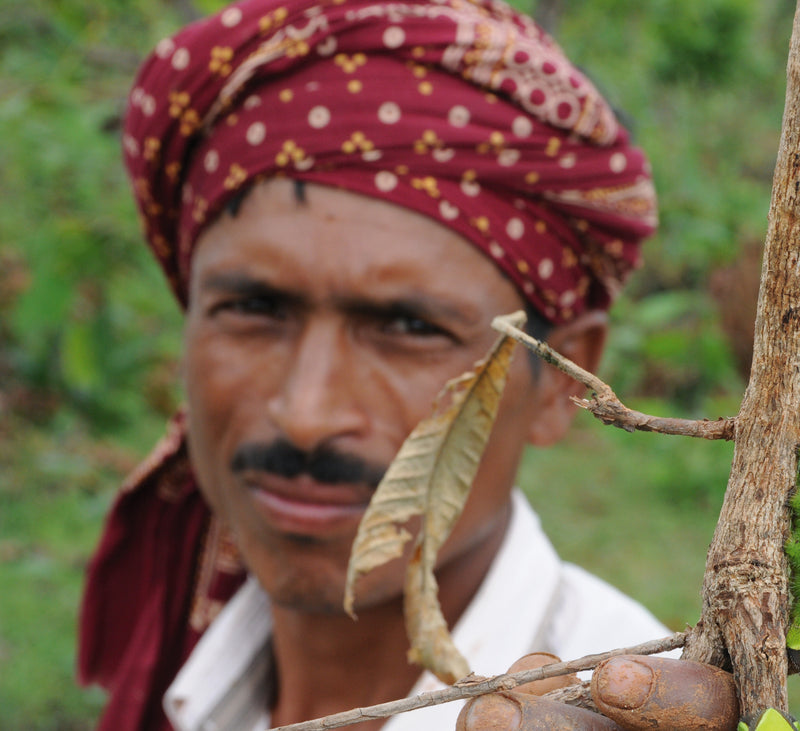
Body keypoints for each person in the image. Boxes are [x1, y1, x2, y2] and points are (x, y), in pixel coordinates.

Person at [77, 1, 738, 729]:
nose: (306, 416)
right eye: (254, 308)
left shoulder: (620, 699)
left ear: (563, 378)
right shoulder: (183, 665)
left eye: (407, 326)